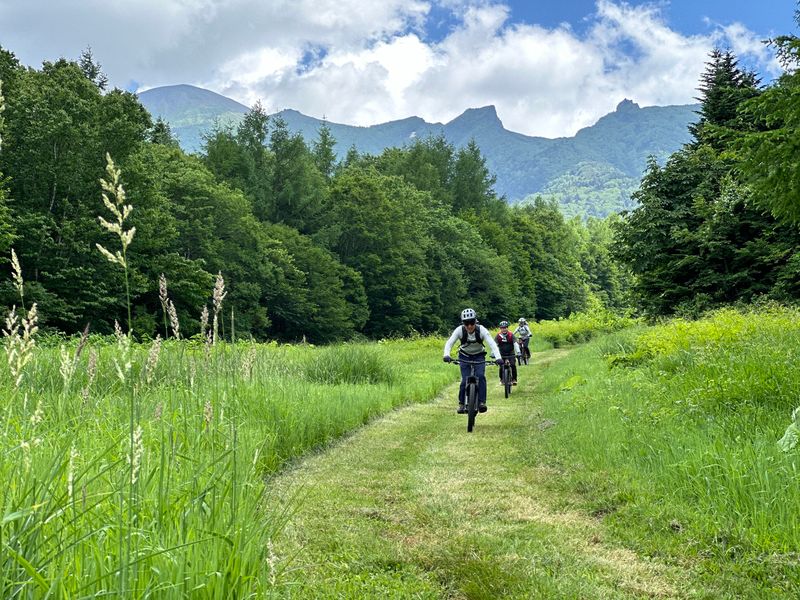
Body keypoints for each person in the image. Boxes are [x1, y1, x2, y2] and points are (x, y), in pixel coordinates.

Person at [443, 308, 503, 414]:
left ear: (476, 321)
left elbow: (492, 344)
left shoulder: (482, 330)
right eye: (466, 323)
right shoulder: (459, 330)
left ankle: (481, 402)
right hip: (464, 356)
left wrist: (498, 358)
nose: (470, 326)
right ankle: (461, 404)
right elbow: (449, 343)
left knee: (480, 376)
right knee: (464, 380)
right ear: (463, 323)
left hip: (479, 356)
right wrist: (446, 355)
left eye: (472, 322)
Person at [494, 321, 518, 385]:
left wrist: (518, 352)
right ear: (500, 328)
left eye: (505, 328)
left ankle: (514, 379)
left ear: (507, 328)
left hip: (511, 353)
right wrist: (493, 353)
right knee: (501, 366)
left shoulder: (511, 335)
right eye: (502, 328)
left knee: (513, 365)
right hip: (502, 354)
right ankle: (502, 379)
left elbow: (515, 344)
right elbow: (494, 345)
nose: (504, 329)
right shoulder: (498, 336)